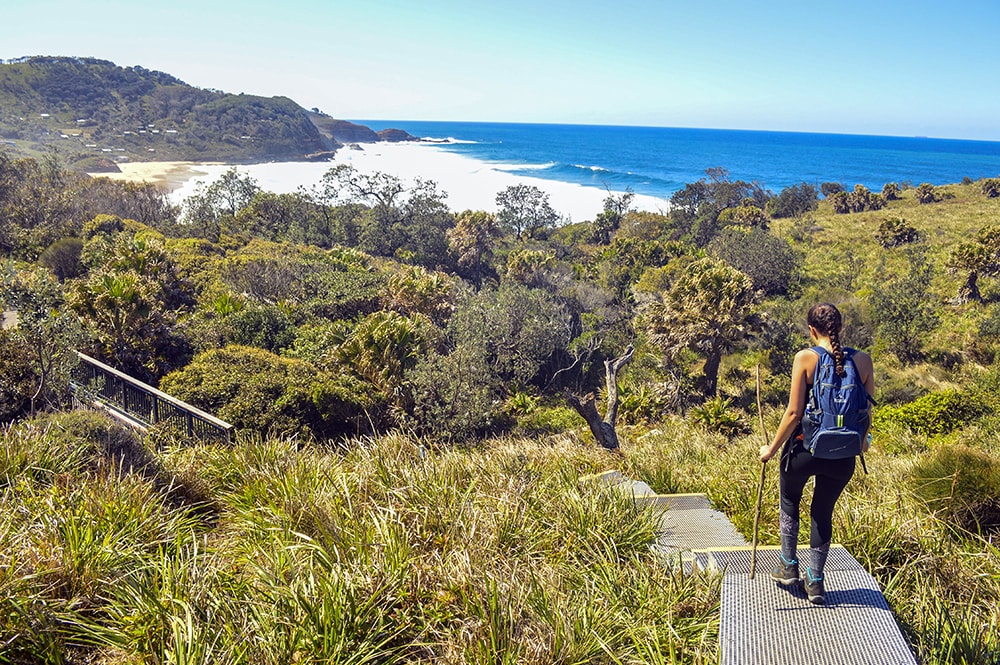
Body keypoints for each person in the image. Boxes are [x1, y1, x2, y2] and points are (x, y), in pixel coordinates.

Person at [758, 302, 874, 604]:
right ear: (841, 327)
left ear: (812, 330)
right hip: (844, 456)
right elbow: (866, 411)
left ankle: (788, 567)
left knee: (789, 500)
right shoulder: (863, 361)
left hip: (804, 450)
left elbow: (794, 411)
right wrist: (862, 442)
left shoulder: (806, 358)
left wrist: (770, 449)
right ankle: (816, 581)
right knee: (822, 512)